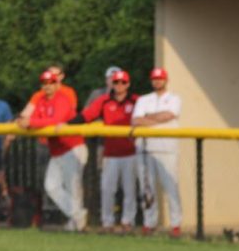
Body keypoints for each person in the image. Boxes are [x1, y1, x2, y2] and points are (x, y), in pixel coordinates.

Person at [65, 70, 138, 232]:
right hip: (110, 152)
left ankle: (128, 221)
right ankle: (107, 222)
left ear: (128, 84)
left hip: (131, 152)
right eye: (116, 82)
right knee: (107, 188)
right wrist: (67, 124)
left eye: (123, 83)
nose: (119, 86)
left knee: (129, 189)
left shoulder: (135, 100)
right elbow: (87, 115)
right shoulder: (104, 100)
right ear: (112, 84)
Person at [17, 71, 87, 231]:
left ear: (57, 84)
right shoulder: (40, 100)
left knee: (73, 187)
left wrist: (31, 122)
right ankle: (77, 215)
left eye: (51, 82)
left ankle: (76, 222)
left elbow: (57, 119)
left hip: (72, 147)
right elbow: (30, 116)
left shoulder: (62, 98)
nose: (47, 86)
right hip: (57, 150)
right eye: (44, 83)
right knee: (51, 186)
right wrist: (23, 120)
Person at [133, 67, 183, 237]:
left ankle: (175, 224)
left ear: (166, 80)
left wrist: (147, 118)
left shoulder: (174, 98)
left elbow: (169, 115)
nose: (157, 81)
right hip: (145, 149)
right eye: (155, 78)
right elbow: (136, 120)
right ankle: (149, 223)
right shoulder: (143, 99)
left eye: (160, 78)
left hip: (167, 148)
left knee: (171, 186)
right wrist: (155, 118)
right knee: (147, 189)